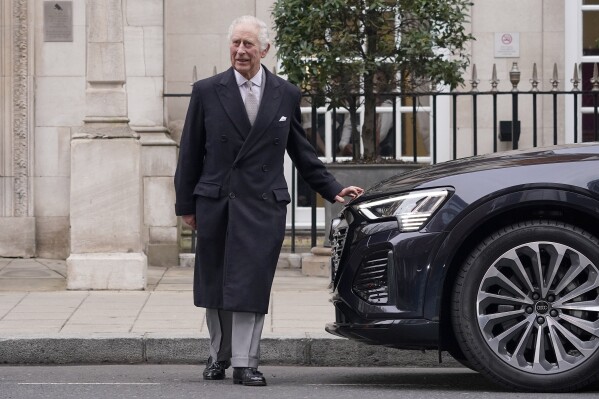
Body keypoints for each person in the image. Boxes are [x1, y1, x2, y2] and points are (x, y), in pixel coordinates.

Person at [173, 15, 363, 387]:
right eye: (235, 44)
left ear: (264, 49)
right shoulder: (207, 90)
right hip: (216, 201)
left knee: (250, 283)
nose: (240, 51)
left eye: (248, 44)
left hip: (262, 204)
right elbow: (190, 152)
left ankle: (246, 362)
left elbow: (301, 150)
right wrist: (186, 205)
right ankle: (219, 354)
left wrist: (333, 189)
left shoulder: (285, 93)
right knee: (216, 285)